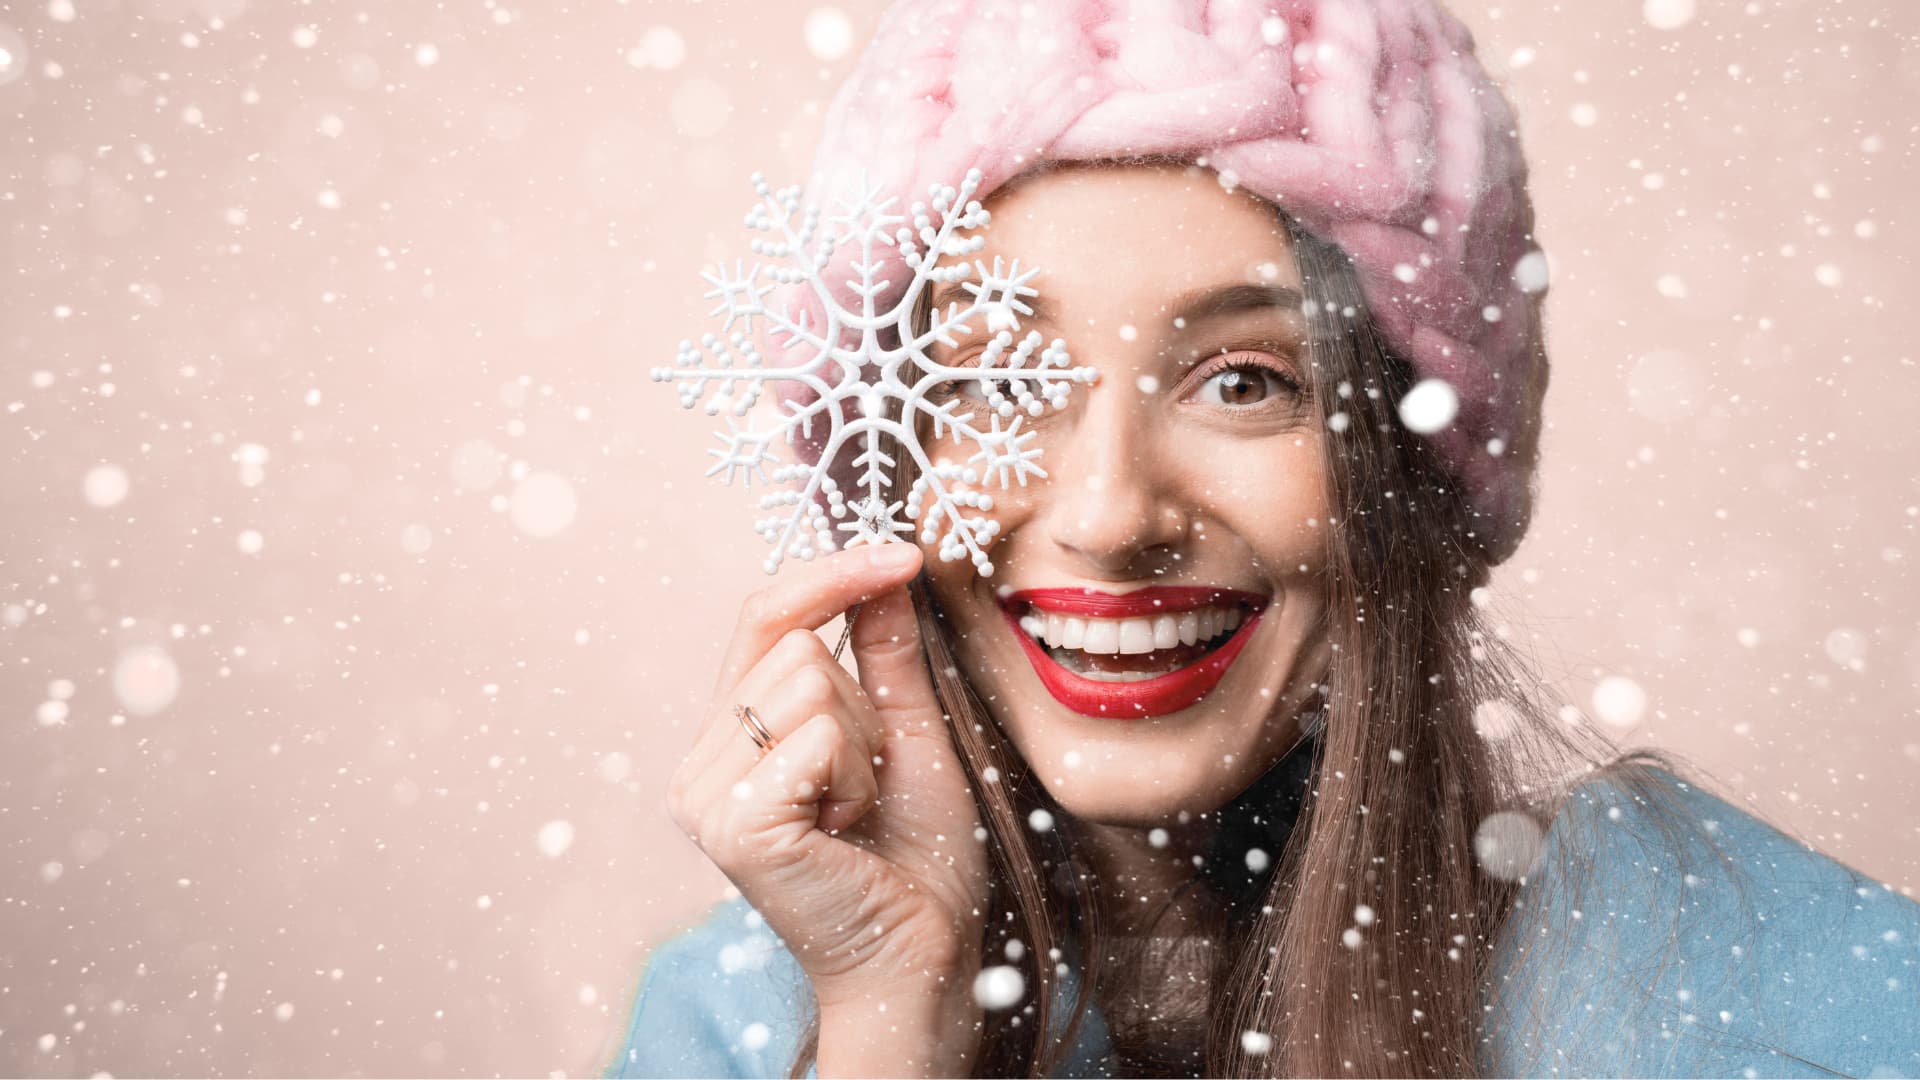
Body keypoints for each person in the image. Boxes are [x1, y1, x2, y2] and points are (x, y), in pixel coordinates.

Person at [610, 2, 1920, 1076]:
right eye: (1001, 383)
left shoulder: (1756, 1001)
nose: (1112, 516)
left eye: (1243, 380)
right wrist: (897, 1023)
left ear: (1411, 478)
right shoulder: (741, 1028)